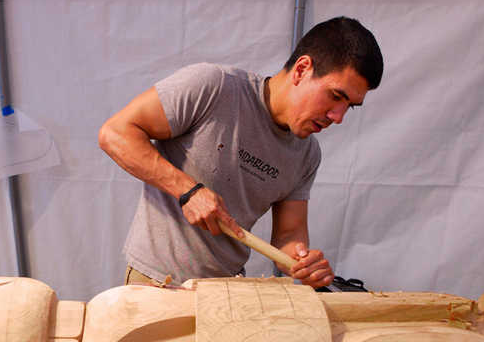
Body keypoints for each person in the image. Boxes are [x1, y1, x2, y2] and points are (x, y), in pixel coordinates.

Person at [98, 16, 383, 288]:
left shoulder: (307, 154)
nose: (338, 117)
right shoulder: (213, 87)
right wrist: (188, 191)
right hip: (156, 281)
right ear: (301, 69)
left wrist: (301, 259)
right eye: (336, 96)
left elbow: (288, 233)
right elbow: (115, 133)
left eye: (350, 106)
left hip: (227, 290)